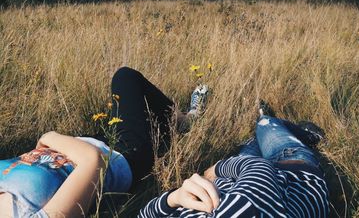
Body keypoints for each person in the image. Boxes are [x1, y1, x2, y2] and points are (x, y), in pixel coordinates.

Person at [0, 67, 209, 217]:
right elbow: (93, 160)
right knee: (125, 77)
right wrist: (49, 136)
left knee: (150, 123)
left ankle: (169, 126)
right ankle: (185, 121)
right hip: (121, 154)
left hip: (86, 141)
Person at [139, 107, 330, 217]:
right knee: (265, 123)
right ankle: (307, 135)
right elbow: (259, 167)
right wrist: (215, 169)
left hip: (241, 182)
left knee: (250, 144)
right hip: (294, 171)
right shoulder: (241, 211)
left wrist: (174, 198)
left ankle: (257, 136)